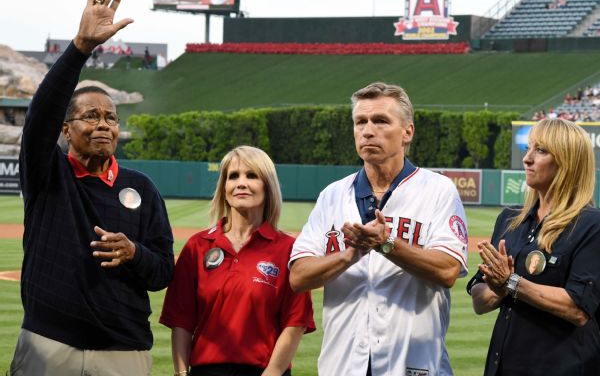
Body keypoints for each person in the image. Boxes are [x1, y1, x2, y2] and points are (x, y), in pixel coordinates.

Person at [10, 0, 175, 375]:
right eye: (90, 116)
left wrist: (134, 253)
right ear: (66, 130)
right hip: (48, 345)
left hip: (123, 350)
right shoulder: (48, 174)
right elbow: (37, 121)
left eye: (111, 118)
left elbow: (163, 271)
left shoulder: (142, 188)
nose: (103, 125)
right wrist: (80, 48)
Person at [289, 82, 468, 375]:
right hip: (343, 364)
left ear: (407, 132)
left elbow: (448, 270)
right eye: (360, 122)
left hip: (414, 363)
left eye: (381, 121)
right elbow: (298, 276)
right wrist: (349, 256)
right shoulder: (332, 195)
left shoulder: (438, 190)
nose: (368, 130)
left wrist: (386, 244)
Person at [160, 145, 315, 376]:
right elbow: (181, 319)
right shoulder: (197, 246)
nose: (241, 183)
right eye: (233, 176)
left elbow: (295, 322)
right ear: (224, 188)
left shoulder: (288, 249)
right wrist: (182, 373)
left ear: (268, 186)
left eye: (252, 175)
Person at [467, 118, 600, 375]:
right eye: (528, 149)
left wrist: (511, 282)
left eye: (540, 151)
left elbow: (578, 308)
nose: (527, 159)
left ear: (567, 162)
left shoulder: (591, 225)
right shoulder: (509, 219)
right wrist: (497, 289)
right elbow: (479, 301)